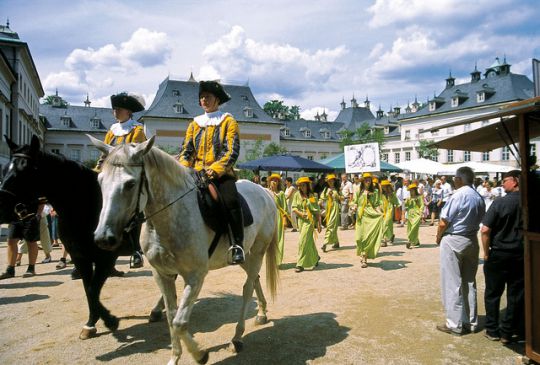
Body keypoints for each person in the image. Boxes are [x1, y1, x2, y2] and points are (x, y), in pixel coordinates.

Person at [178, 80, 244, 265]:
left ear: (217, 100)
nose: (204, 100)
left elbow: (231, 151)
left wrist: (213, 171)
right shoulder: (194, 124)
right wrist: (183, 168)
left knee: (230, 199)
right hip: (194, 173)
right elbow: (186, 150)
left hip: (220, 174)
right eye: (201, 97)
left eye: (208, 96)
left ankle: (237, 243)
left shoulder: (228, 121)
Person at [95, 92, 147, 274]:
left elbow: (137, 154)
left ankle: (136, 250)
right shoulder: (111, 132)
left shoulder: (137, 130)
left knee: (135, 210)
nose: (115, 112)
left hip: (129, 173)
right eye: (114, 109)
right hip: (111, 175)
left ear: (129, 112)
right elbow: (104, 155)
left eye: (119, 109)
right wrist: (98, 171)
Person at [435, 166, 485, 336]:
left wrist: (438, 237)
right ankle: (470, 321)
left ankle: (454, 323)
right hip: (471, 238)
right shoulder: (478, 196)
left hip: (454, 238)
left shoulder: (459, 195)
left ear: (459, 179)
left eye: (455, 178)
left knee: (452, 282)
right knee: (469, 282)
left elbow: (444, 221)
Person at [481, 170, 524, 344]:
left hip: (499, 253)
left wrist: (486, 252)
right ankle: (507, 331)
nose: (502, 184)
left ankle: (492, 330)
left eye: (505, 181)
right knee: (516, 293)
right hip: (520, 254)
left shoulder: (500, 203)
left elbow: (485, 230)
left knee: (493, 293)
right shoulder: (530, 202)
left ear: (515, 182)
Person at [0, 201, 43, 279]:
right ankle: (10, 270)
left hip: (31, 215)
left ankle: (31, 269)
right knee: (11, 241)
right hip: (14, 217)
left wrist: (39, 214)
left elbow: (41, 200)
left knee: (31, 241)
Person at [352, 172, 384, 268]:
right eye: (366, 179)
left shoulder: (375, 192)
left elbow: (377, 204)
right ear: (363, 181)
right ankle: (363, 254)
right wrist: (354, 206)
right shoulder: (359, 191)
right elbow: (354, 202)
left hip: (371, 215)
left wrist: (380, 213)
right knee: (359, 238)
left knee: (368, 237)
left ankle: (364, 257)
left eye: (369, 179)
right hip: (361, 215)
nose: (367, 181)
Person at [291, 176, 321, 272]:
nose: (302, 187)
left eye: (304, 185)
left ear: (308, 186)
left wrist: (319, 224)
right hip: (301, 221)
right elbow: (294, 208)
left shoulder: (313, 196)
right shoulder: (296, 195)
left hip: (310, 221)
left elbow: (317, 211)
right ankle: (316, 257)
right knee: (309, 241)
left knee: (302, 241)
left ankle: (300, 264)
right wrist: (301, 214)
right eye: (300, 185)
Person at [267, 174, 288, 265]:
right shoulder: (266, 192)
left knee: (279, 239)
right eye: (273, 180)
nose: (274, 182)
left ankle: (278, 260)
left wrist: (284, 220)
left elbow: (284, 208)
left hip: (278, 217)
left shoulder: (281, 193)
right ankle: (271, 260)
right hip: (268, 217)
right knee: (269, 240)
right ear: (269, 182)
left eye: (276, 180)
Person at [319, 174, 340, 252]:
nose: (331, 182)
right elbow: (321, 199)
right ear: (327, 182)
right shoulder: (325, 190)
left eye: (332, 180)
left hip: (335, 208)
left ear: (334, 181)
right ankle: (336, 242)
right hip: (328, 208)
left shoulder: (337, 189)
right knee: (332, 225)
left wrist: (336, 197)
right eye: (329, 181)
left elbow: (341, 198)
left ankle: (325, 243)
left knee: (330, 225)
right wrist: (317, 204)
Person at [380, 179, 399, 246]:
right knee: (386, 225)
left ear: (388, 186)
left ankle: (384, 239)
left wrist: (396, 204)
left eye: (385, 186)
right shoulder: (380, 193)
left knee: (386, 223)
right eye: (383, 186)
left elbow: (396, 202)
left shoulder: (392, 193)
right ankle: (390, 237)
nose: (384, 187)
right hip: (382, 209)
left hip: (389, 209)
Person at [405, 183, 424, 249]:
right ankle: (415, 241)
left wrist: (421, 212)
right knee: (410, 227)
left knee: (414, 227)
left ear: (415, 190)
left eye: (412, 190)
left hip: (417, 214)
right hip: (410, 214)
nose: (411, 191)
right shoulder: (408, 198)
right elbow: (406, 206)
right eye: (410, 190)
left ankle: (409, 240)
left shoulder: (419, 197)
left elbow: (422, 205)